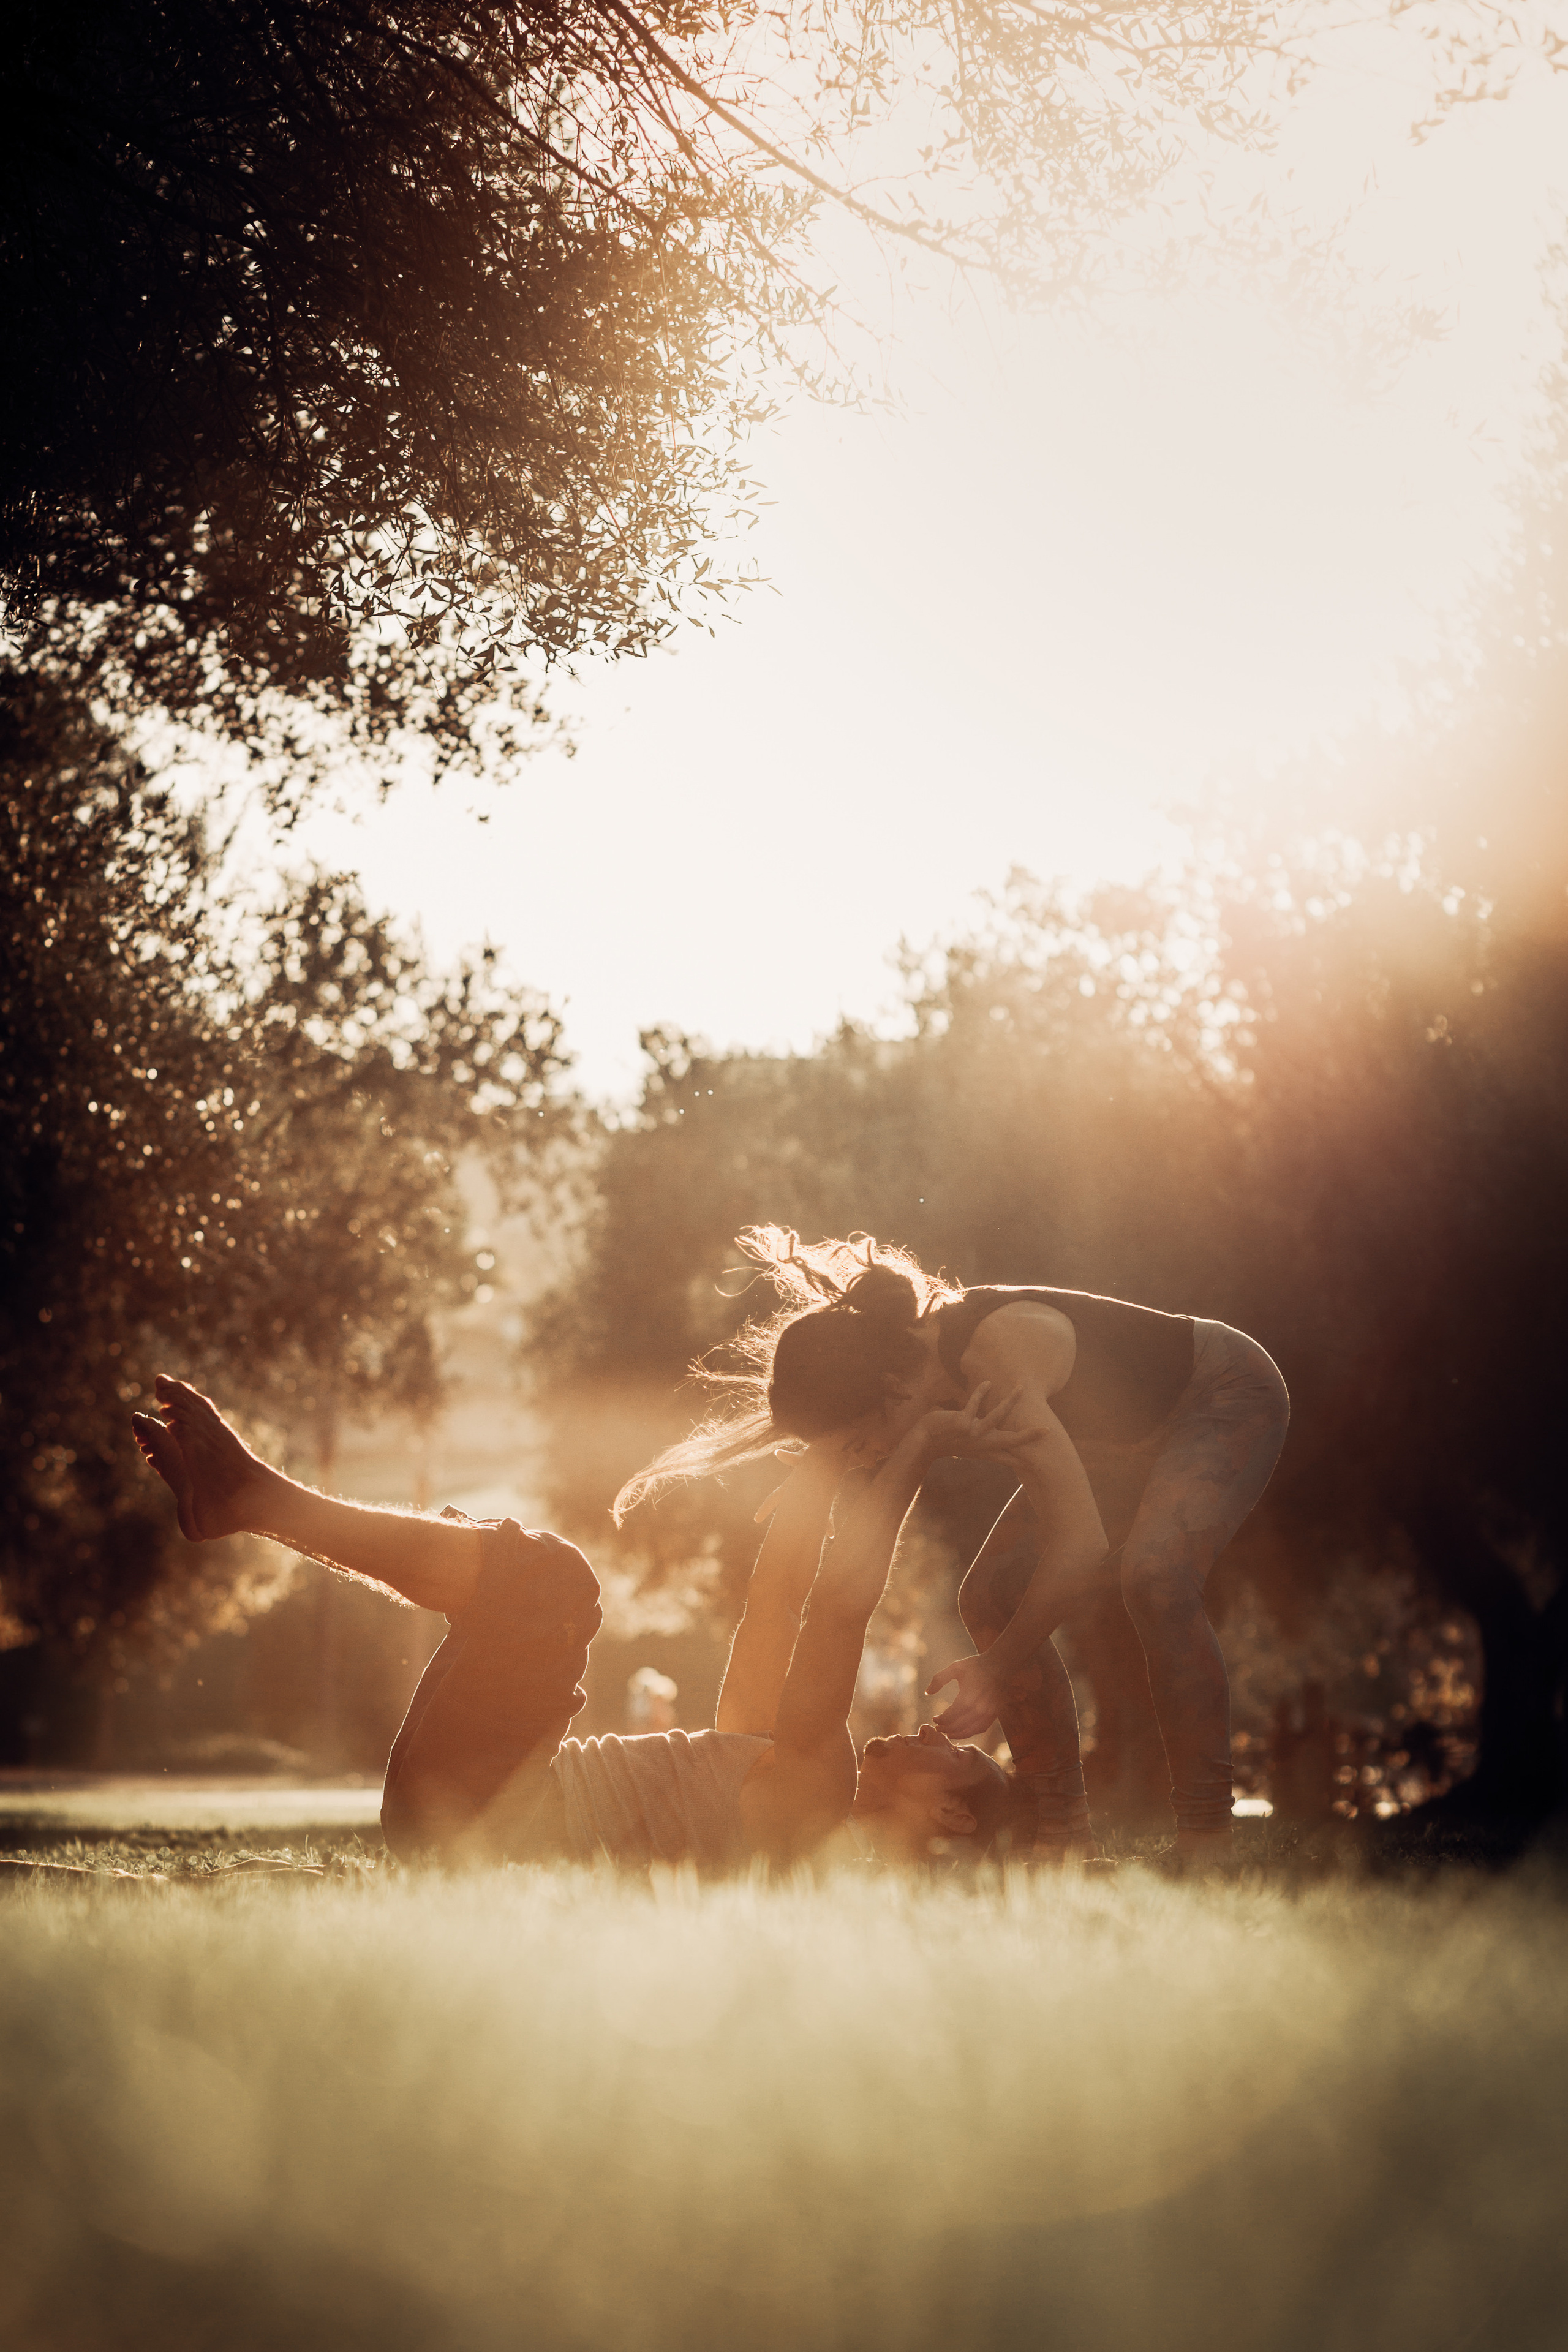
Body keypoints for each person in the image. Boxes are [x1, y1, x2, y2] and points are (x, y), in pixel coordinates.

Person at [131, 1374, 1033, 1871]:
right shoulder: (771, 1764)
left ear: (949, 1811)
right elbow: (776, 1600)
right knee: (509, 1581)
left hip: (487, 1810)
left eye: (953, 1756)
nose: (926, 1733)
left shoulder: (814, 1801)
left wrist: (910, 1451)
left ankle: (254, 1499)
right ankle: (248, 1502)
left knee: (554, 1586)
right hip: (466, 1799)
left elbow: (840, 1613)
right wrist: (823, 1465)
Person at [616, 1229, 1291, 1866]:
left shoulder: (994, 1359)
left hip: (1219, 1394)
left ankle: (1206, 1838)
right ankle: (1062, 1838)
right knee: (989, 1593)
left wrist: (998, 1667)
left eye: (857, 1446)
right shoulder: (926, 1383)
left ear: (887, 1392)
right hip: (1116, 1447)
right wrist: (817, 1483)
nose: (866, 1461)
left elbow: (1079, 1544)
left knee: (1155, 1575)